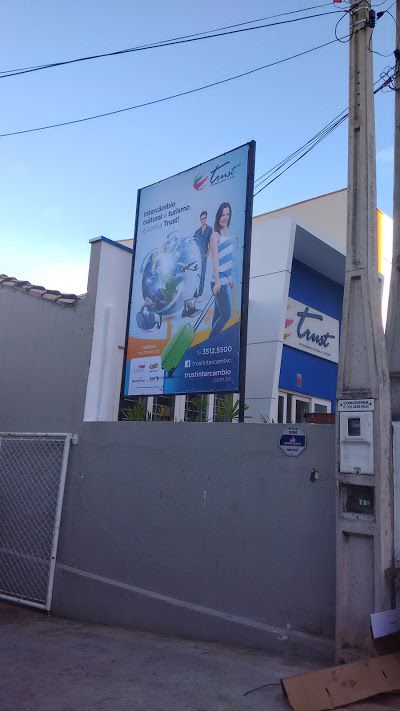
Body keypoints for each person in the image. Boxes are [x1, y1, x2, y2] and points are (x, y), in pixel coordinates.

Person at [209, 202, 234, 337]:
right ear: (218, 216)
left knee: (218, 315)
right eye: (222, 214)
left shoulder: (228, 236)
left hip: (225, 281)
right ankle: (210, 341)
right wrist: (217, 282)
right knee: (226, 315)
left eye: (227, 214)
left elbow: (228, 260)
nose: (225, 217)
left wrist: (230, 279)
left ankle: (211, 345)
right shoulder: (215, 235)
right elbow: (215, 259)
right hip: (219, 282)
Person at [193, 211, 212, 300]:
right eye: (201, 219)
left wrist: (207, 253)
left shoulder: (209, 229)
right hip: (197, 257)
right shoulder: (197, 232)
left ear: (206, 218)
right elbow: (193, 242)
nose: (202, 220)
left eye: (204, 218)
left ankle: (199, 294)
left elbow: (211, 243)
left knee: (202, 275)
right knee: (196, 275)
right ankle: (194, 293)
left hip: (203, 257)